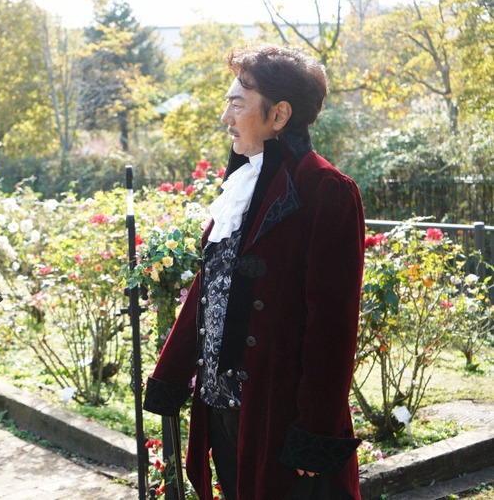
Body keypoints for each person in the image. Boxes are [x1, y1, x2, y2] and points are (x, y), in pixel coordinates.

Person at [144, 44, 365, 499]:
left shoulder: (326, 191)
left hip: (280, 420)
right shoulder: (241, 185)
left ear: (279, 115)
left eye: (237, 104)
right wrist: (171, 375)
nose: (226, 116)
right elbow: (210, 286)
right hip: (221, 411)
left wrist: (315, 431)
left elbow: (333, 325)